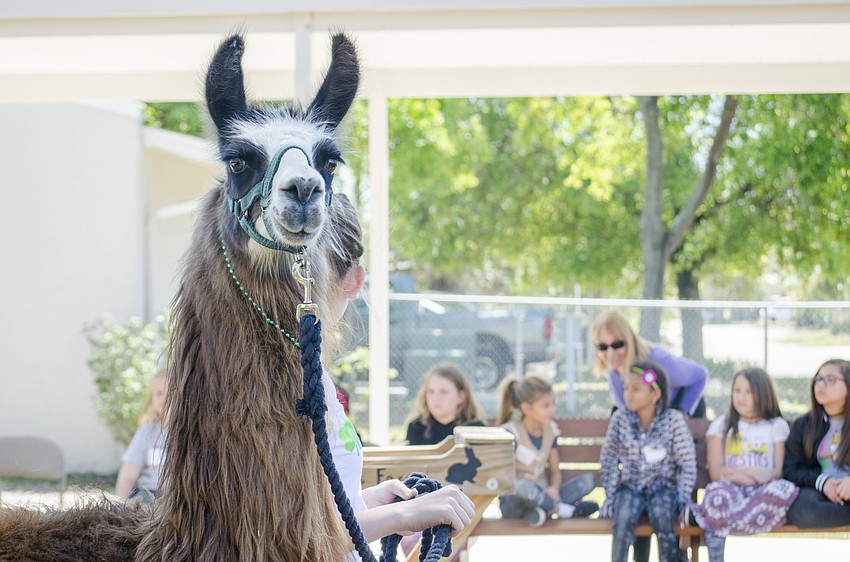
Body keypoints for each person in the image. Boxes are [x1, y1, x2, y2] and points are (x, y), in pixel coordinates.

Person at [322, 194, 475, 557]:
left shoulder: (313, 376)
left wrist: (374, 503)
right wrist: (406, 512)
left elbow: (321, 510)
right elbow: (294, 535)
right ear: (355, 280)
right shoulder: (286, 384)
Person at [690, 367, 799, 562]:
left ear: (763, 393)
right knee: (715, 496)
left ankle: (727, 521)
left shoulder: (776, 426)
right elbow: (716, 473)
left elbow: (777, 472)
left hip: (763, 493)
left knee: (784, 490)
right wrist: (756, 475)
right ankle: (718, 554)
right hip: (732, 492)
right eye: (737, 390)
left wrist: (743, 474)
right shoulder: (722, 425)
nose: (741, 397)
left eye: (749, 391)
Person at [599, 361, 696, 562]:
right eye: (626, 388)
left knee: (662, 513)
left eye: (636, 389)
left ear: (655, 394)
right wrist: (610, 496)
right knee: (623, 513)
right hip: (631, 487)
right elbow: (608, 459)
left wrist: (682, 497)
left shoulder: (673, 421)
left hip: (663, 489)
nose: (628, 394)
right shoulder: (620, 419)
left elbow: (686, 463)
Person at [495, 375, 599, 527]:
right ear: (526, 408)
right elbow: (505, 479)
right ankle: (564, 510)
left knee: (588, 480)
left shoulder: (551, 431)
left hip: (543, 494)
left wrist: (554, 488)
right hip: (514, 501)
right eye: (546, 405)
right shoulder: (511, 433)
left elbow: (555, 471)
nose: (552, 410)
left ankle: (538, 512)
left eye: (553, 404)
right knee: (522, 486)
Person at [592, 310, 709, 418]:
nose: (610, 353)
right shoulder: (613, 371)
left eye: (617, 345)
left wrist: (683, 410)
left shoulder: (657, 361)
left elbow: (700, 375)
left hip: (676, 417)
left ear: (629, 340)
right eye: (602, 347)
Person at [783, 358, 850, 529]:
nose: (820, 385)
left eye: (830, 380)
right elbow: (791, 470)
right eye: (818, 379)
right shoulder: (804, 425)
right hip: (820, 492)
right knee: (800, 507)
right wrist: (823, 482)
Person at [115, 370, 167, 503]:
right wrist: (123, 506)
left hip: (179, 497)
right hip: (149, 494)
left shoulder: (193, 433)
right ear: (151, 400)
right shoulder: (146, 431)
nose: (165, 398)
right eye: (159, 393)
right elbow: (127, 478)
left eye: (171, 392)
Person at [406, 363, 485, 446]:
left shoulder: (476, 429)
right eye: (431, 391)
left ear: (461, 396)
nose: (436, 398)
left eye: (444, 392)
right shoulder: (416, 427)